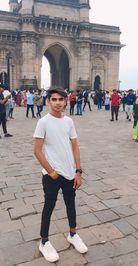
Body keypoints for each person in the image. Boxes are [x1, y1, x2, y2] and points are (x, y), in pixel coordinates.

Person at [33, 86, 88, 263]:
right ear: (48, 101)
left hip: (69, 172)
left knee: (70, 204)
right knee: (48, 207)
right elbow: (37, 151)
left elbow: (75, 146)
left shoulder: (69, 121)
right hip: (52, 174)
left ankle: (73, 234)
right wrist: (51, 172)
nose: (57, 103)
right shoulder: (43, 122)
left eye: (60, 100)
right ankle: (44, 242)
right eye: (53, 99)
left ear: (66, 101)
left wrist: (78, 171)